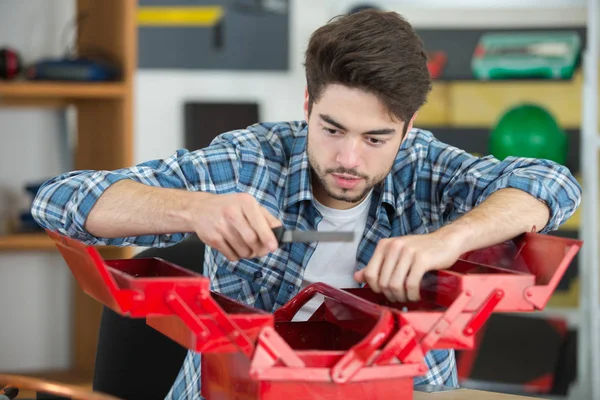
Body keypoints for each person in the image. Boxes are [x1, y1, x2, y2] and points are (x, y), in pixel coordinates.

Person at [31, 9, 581, 400]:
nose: (349, 159)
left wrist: (449, 240)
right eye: (332, 128)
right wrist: (192, 210)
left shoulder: (424, 167)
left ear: (408, 128)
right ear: (307, 104)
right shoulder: (252, 159)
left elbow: (553, 185)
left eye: (375, 138)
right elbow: (61, 200)